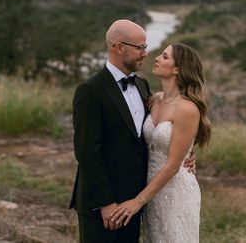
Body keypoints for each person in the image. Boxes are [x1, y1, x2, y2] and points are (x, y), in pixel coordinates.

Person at [69, 20, 196, 242]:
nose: (146, 54)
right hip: (101, 204)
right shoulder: (90, 90)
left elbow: (154, 136)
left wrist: (185, 155)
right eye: (140, 47)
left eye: (146, 47)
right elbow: (87, 152)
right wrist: (105, 203)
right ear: (119, 47)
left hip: (135, 200)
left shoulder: (142, 86)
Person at [110, 42, 210, 243]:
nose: (155, 58)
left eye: (164, 56)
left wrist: (137, 202)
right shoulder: (154, 99)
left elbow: (173, 165)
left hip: (176, 192)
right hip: (152, 191)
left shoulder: (187, 108)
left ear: (177, 69)